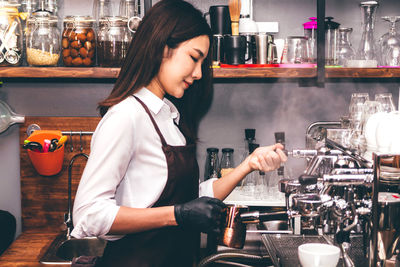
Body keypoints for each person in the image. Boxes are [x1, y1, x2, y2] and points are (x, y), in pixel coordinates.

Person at [71, 0, 287, 266]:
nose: (198, 73)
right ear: (163, 47)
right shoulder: (126, 117)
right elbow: (88, 215)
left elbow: (189, 199)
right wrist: (178, 215)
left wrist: (247, 166)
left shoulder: (168, 117)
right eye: (194, 58)